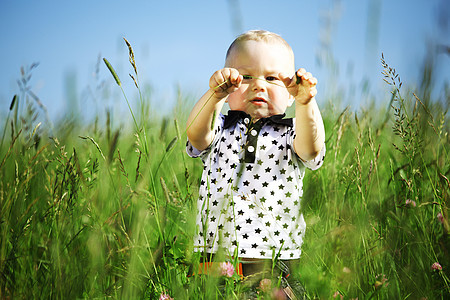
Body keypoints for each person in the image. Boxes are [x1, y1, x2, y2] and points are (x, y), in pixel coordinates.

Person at [186, 30, 325, 298]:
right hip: (214, 255)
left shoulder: (292, 132)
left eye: (272, 78)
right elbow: (195, 134)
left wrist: (307, 103)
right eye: (245, 77)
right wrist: (213, 96)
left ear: (290, 93)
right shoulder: (220, 128)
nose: (258, 85)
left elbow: (312, 148)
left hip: (274, 259)